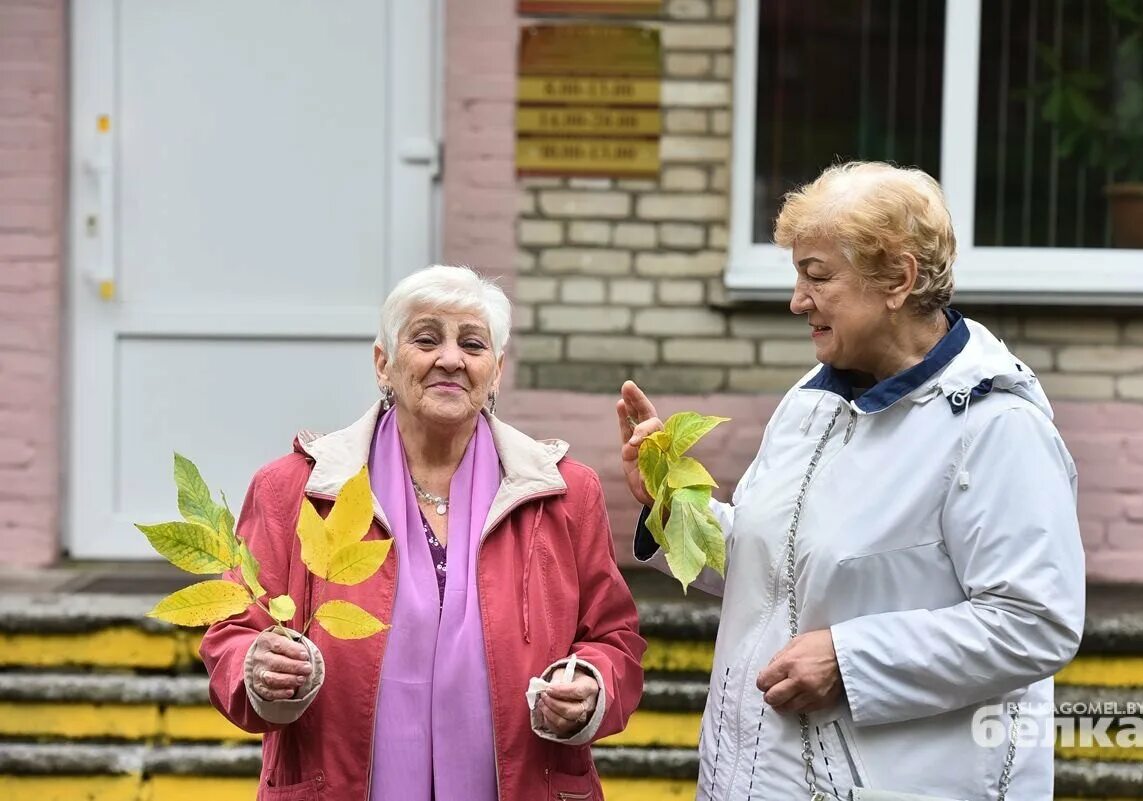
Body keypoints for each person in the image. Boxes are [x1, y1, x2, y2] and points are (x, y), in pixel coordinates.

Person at [618, 162, 1085, 800]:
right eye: (796, 275)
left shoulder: (996, 426)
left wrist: (851, 660)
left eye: (818, 276)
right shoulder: (810, 402)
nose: (797, 300)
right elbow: (773, 573)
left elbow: (1035, 621)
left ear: (898, 278)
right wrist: (673, 506)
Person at [202, 265, 645, 801]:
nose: (452, 359)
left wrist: (591, 685)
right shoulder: (293, 489)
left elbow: (614, 639)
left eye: (473, 344)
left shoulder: (565, 494)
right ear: (383, 364)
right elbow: (232, 632)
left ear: (497, 370)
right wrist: (257, 666)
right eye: (427, 339)